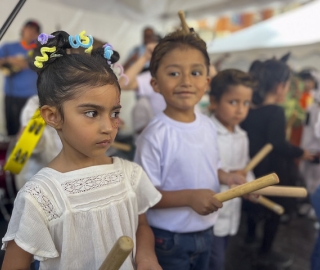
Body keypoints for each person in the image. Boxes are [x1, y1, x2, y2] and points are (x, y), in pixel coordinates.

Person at [1, 30, 162, 270]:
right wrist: (27, 137)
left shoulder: (131, 175)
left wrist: (147, 257)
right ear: (52, 115)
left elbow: (141, 225)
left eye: (115, 113)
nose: (109, 127)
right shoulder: (38, 197)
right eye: (91, 113)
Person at [134, 29, 246, 270]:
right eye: (174, 73)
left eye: (195, 73)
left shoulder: (207, 124)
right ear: (155, 83)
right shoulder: (154, 135)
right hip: (168, 238)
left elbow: (211, 166)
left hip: (206, 231)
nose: (186, 81)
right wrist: (189, 197)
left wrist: (229, 178)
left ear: (206, 82)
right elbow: (144, 196)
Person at [240, 59, 314, 268]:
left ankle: (250, 238)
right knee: (274, 211)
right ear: (280, 86)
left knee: (254, 203)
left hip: (253, 166)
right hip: (271, 169)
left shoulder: (249, 108)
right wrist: (301, 152)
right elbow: (278, 143)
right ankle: (265, 251)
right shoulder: (275, 111)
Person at [207, 69, 256, 270]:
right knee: (215, 263)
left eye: (246, 103)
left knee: (222, 256)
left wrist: (252, 186)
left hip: (232, 213)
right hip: (210, 215)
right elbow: (203, 170)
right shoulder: (206, 131)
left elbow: (245, 168)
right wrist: (228, 176)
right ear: (214, 101)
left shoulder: (242, 135)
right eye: (233, 102)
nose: (240, 110)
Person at [0, 20, 40, 136]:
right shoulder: (8, 47)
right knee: (12, 130)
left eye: (35, 31)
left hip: (33, 98)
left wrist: (22, 63)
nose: (31, 32)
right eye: (29, 29)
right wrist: (9, 60)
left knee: (29, 132)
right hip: (12, 96)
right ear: (22, 29)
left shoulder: (39, 51)